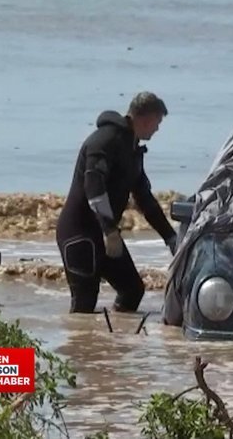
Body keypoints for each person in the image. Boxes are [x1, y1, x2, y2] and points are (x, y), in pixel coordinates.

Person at [56, 91, 178, 314]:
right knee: (84, 303)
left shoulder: (132, 150)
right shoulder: (104, 141)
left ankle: (113, 343)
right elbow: (93, 188)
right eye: (157, 123)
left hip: (105, 235)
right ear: (145, 119)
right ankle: (78, 346)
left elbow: (145, 200)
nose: (157, 129)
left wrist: (171, 238)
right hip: (80, 233)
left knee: (133, 290)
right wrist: (110, 231)